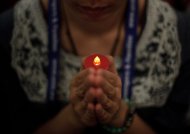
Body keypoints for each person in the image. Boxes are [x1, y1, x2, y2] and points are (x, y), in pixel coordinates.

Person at [0, 0, 190, 133]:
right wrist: (74, 118)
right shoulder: (11, 31)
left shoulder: (178, 34)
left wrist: (119, 114)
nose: (93, 1)